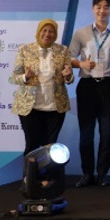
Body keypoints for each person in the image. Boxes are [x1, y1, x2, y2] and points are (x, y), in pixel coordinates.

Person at [68, 0, 110, 187]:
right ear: (93, 9)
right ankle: (87, 173)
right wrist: (81, 63)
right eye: (98, 7)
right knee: (87, 133)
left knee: (107, 133)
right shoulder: (81, 33)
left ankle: (102, 174)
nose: (102, 10)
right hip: (87, 85)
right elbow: (68, 57)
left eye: (106, 7)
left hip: (108, 85)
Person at [9, 19, 75, 159]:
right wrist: (26, 77)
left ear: (55, 34)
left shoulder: (62, 50)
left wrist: (68, 76)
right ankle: (30, 178)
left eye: (51, 31)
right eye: (44, 30)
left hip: (55, 107)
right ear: (39, 32)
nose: (47, 34)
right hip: (30, 107)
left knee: (50, 146)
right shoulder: (25, 50)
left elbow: (69, 78)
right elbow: (14, 77)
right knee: (32, 145)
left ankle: (47, 180)